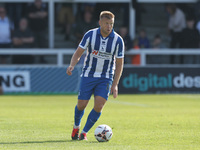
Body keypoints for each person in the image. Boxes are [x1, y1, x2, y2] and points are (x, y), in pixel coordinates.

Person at [66, 11, 124, 140]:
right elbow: (78, 52)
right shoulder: (90, 35)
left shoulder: (118, 40)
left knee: (99, 106)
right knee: (81, 105)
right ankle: (76, 127)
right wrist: (72, 65)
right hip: (89, 74)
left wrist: (115, 84)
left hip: (106, 77)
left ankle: (84, 133)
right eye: (106, 23)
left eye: (111, 24)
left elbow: (120, 63)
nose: (109, 26)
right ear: (100, 23)